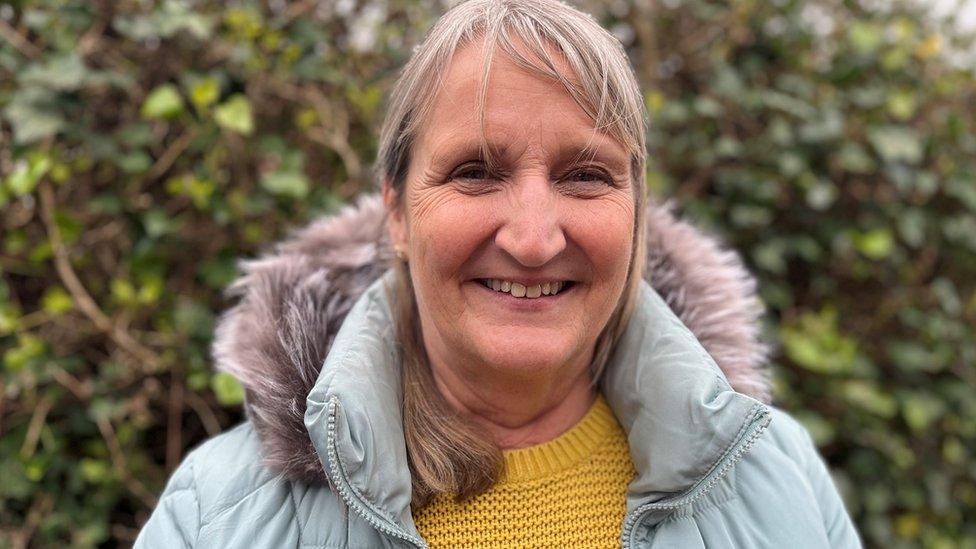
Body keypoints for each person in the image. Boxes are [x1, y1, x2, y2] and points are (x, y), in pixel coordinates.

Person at [135, 0, 861, 547]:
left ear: (637, 208)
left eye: (585, 175)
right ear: (396, 211)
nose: (535, 238)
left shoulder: (779, 476)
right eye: (476, 172)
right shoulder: (216, 510)